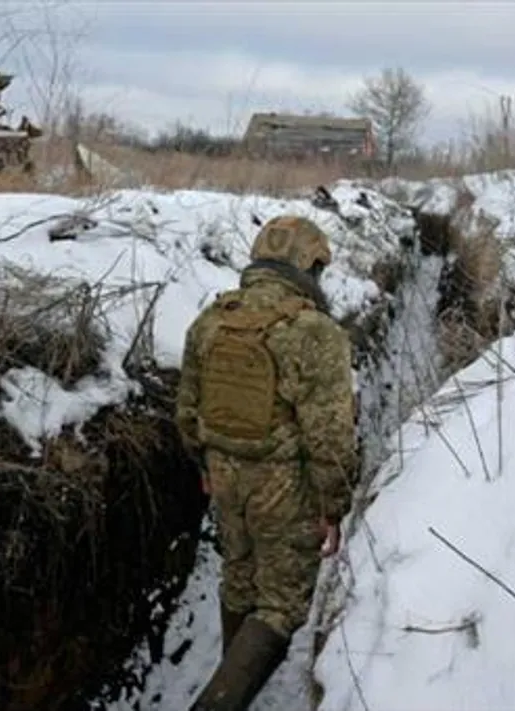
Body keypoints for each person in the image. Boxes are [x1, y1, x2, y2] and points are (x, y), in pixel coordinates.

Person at [175, 214, 358, 711]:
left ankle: (227, 681)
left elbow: (187, 411)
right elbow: (330, 437)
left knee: (238, 580)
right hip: (285, 485)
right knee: (279, 605)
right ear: (307, 266)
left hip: (224, 476)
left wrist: (205, 468)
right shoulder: (314, 332)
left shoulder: (211, 320)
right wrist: (333, 504)